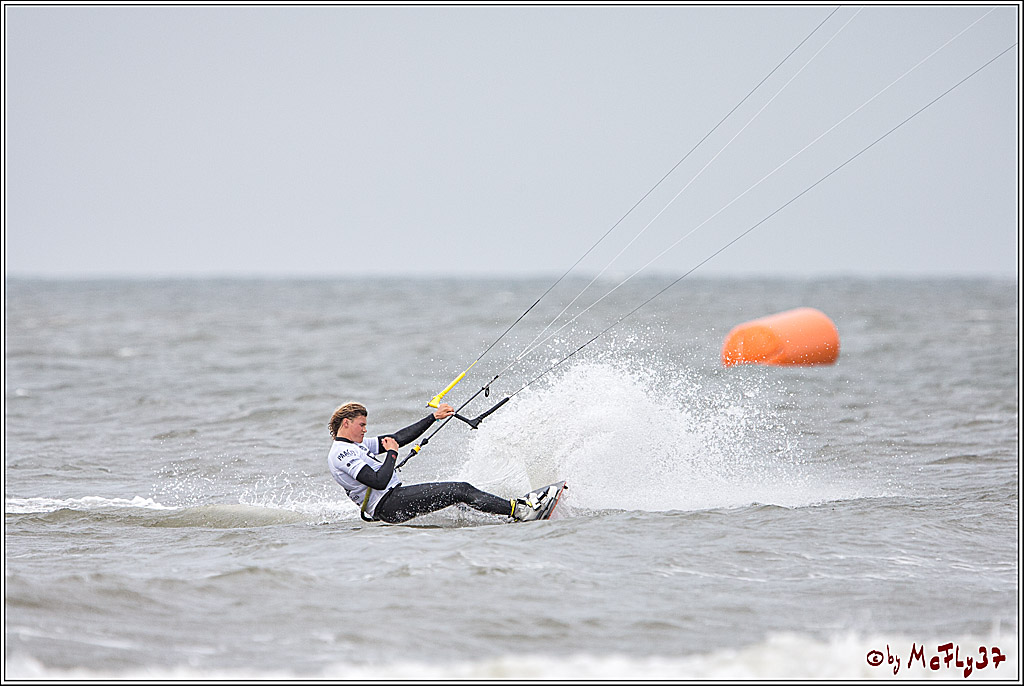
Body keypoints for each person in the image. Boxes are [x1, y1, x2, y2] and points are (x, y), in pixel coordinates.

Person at [326, 402, 547, 524]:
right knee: (461, 489)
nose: (365, 430)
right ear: (346, 423)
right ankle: (520, 511)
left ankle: (505, 518)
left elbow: (399, 437)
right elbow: (378, 481)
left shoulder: (355, 445)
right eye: (362, 425)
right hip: (388, 504)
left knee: (458, 501)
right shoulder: (341, 453)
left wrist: (433, 417)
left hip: (393, 501)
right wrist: (392, 453)